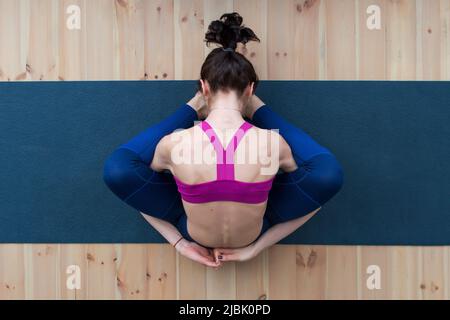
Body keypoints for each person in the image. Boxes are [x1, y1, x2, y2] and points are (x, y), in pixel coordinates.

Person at [103, 12, 343, 268]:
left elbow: (134, 190)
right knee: (328, 175)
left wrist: (180, 243)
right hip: (256, 232)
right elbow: (316, 195)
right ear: (250, 90)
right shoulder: (274, 144)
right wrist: (255, 248)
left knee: (118, 169)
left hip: (190, 230)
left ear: (204, 87)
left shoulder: (172, 145)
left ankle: (192, 106)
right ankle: (256, 110)